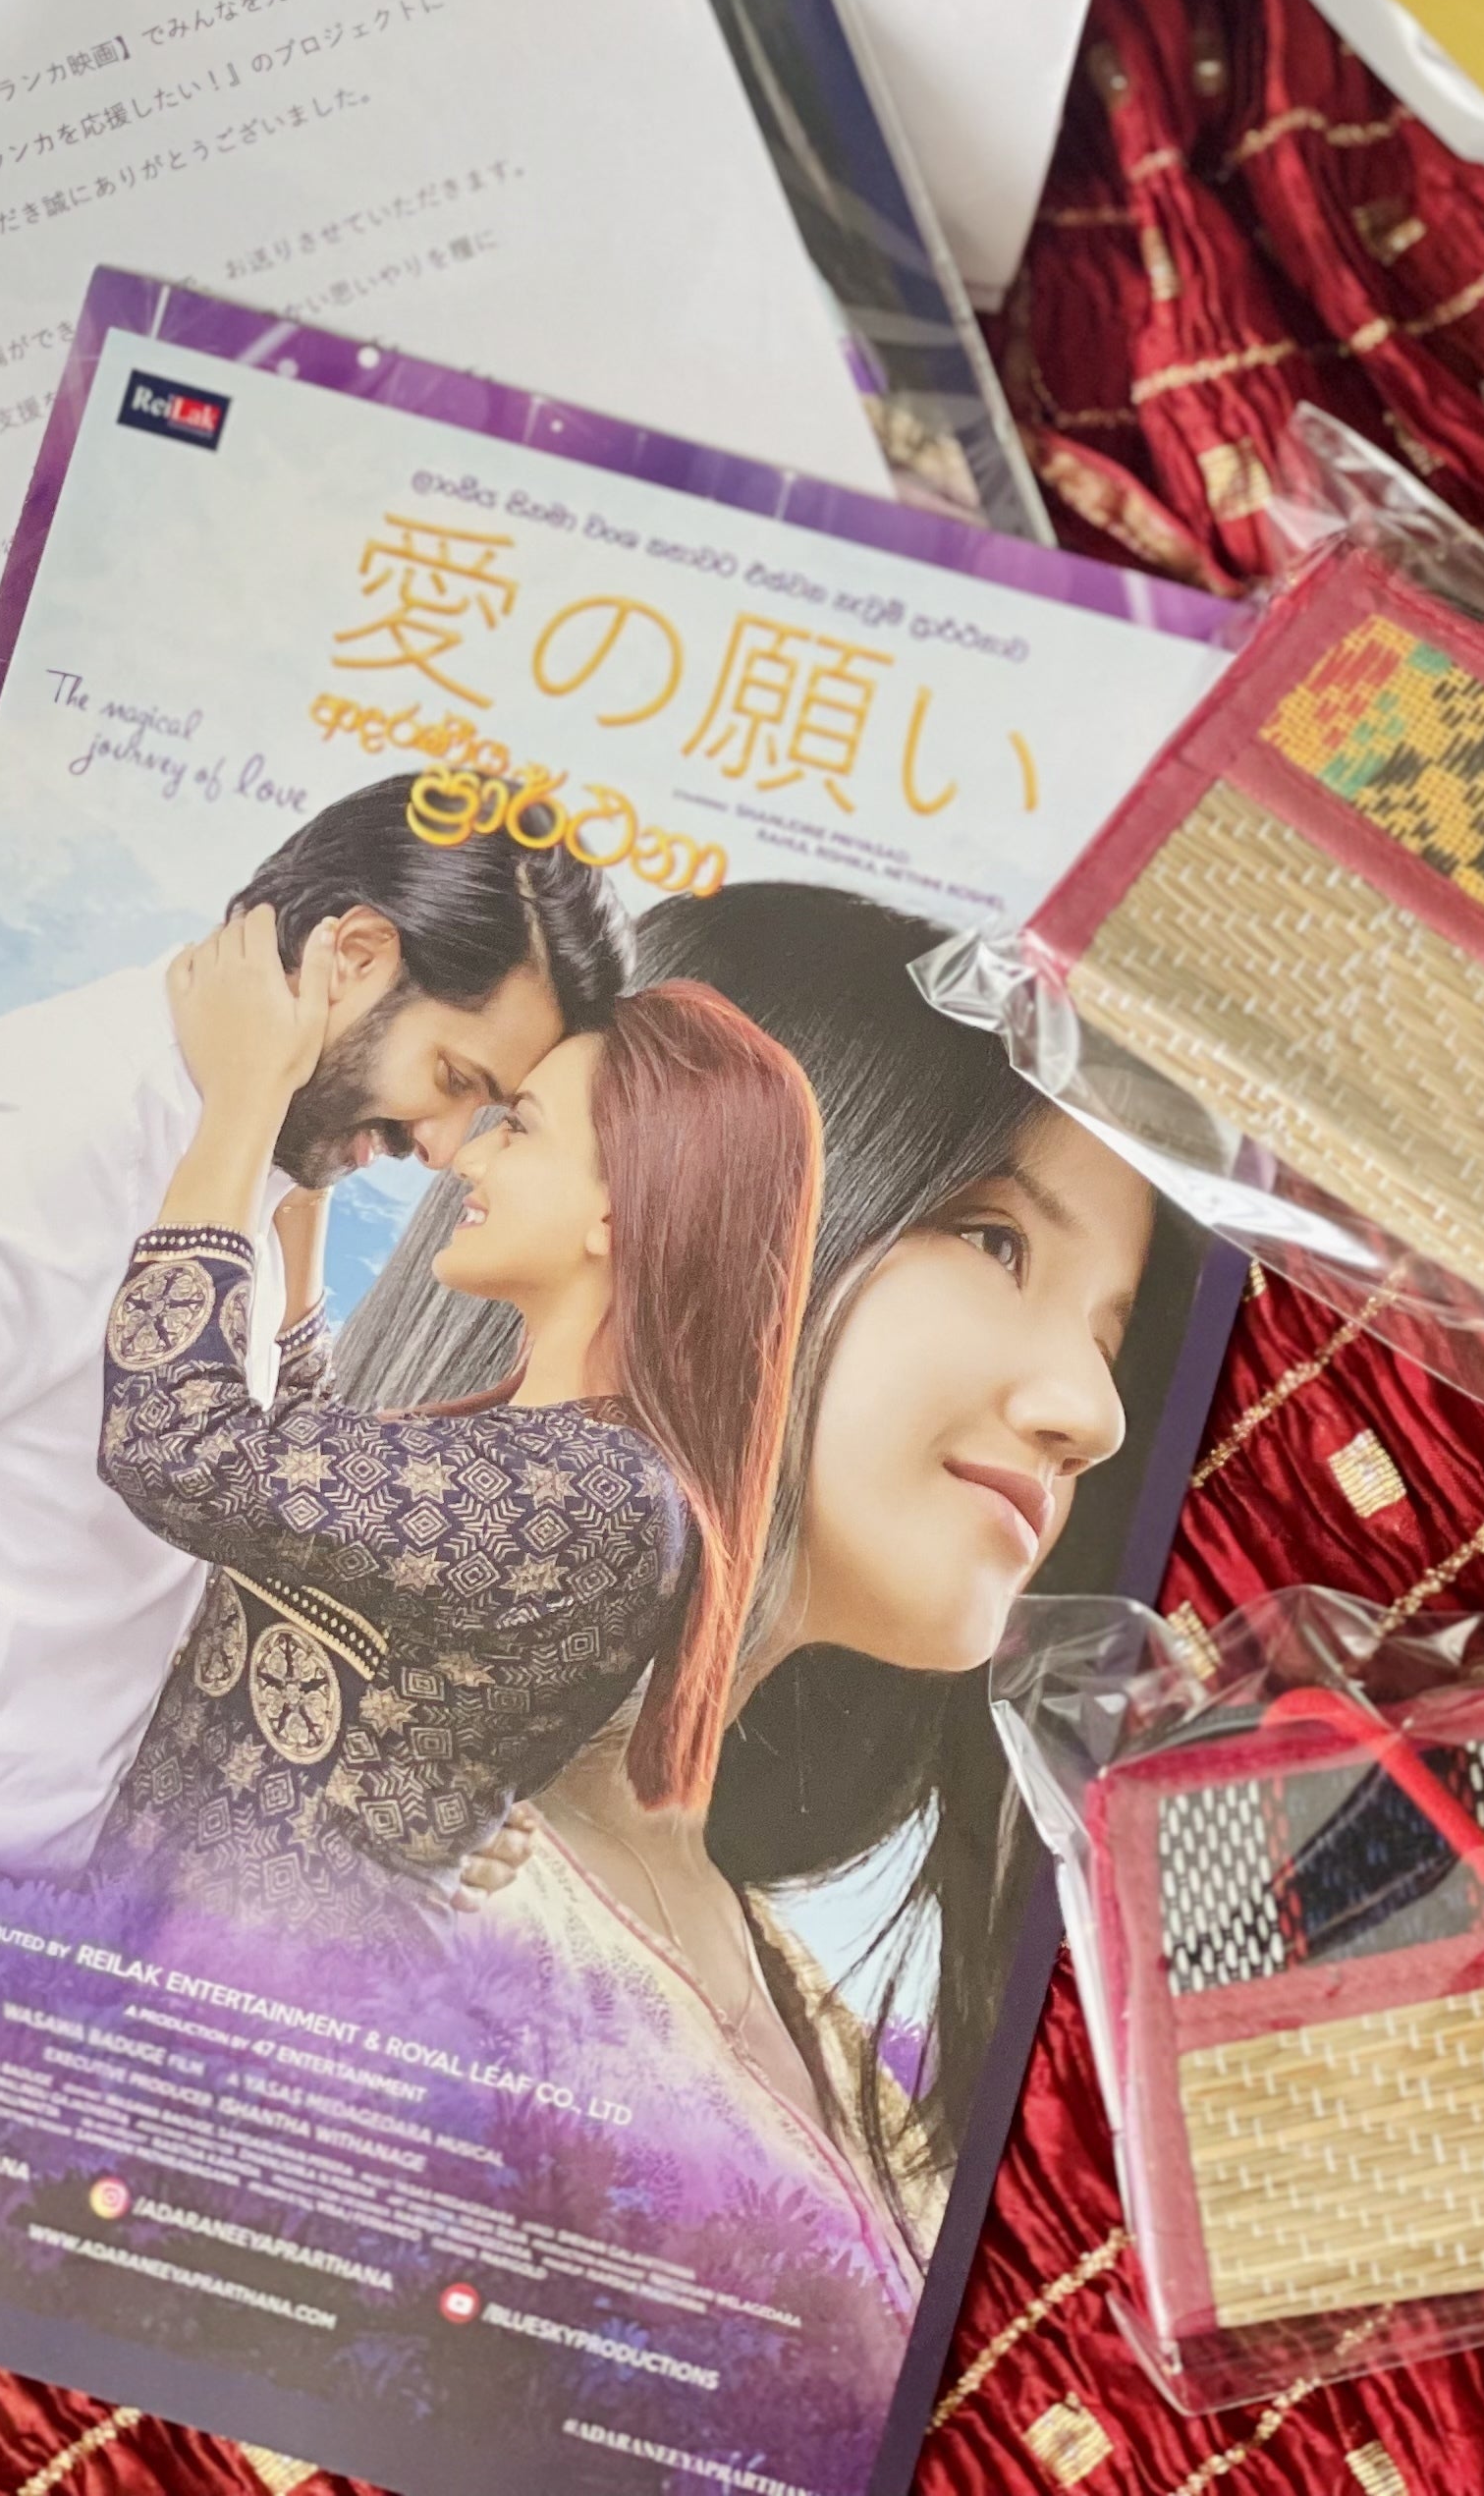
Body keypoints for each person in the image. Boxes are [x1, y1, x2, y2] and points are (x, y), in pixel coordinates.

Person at [333, 879, 1194, 2253]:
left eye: (1108, 1334)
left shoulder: (812, 2026)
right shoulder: (334, 1854)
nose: (1093, 1413)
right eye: (996, 1242)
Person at [0, 777, 625, 1872]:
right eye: (451, 1078)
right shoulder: (57, 1130)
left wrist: (409, 1797)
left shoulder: (232, 1159)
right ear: (354, 957)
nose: (444, 1149)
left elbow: (223, 1517)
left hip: (4, 1873)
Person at [87, 915, 821, 1940]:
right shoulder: (553, 1456)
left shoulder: (594, 1493)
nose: (469, 1159)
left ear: (621, 1207)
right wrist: (309, 1153)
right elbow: (304, 1477)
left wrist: (244, 1104)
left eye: (517, 1127)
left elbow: (179, 1450)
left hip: (264, 2004)